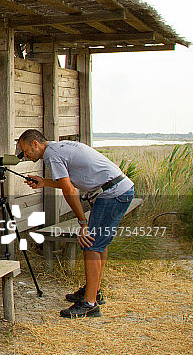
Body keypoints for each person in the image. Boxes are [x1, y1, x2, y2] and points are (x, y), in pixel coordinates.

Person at [17, 129, 135, 318]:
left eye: (25, 150)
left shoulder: (52, 156)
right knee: (98, 244)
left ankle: (90, 303)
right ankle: (94, 291)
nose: (25, 155)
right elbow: (68, 182)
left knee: (91, 244)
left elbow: (69, 190)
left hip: (112, 193)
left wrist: (83, 223)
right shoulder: (58, 148)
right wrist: (45, 182)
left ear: (35, 144)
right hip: (119, 189)